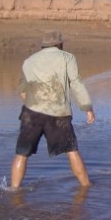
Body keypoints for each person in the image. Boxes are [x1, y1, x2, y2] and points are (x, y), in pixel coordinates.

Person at [11, 30, 95, 189]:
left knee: (21, 153)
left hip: (31, 114)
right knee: (72, 150)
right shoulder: (67, 58)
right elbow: (76, 84)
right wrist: (87, 107)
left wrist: (35, 103)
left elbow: (22, 91)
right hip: (58, 114)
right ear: (59, 44)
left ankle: (14, 190)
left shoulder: (29, 61)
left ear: (43, 46)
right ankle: (86, 187)